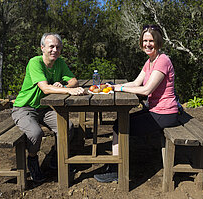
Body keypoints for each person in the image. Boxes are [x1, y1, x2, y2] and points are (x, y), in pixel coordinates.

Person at [94, 25, 181, 183]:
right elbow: (136, 82)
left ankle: (117, 170)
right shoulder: (150, 62)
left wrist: (119, 87)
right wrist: (113, 87)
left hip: (165, 113)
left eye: (151, 41)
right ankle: (116, 163)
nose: (147, 44)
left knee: (119, 126)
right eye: (145, 40)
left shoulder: (162, 60)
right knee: (120, 123)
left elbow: (146, 90)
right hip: (156, 110)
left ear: (158, 41)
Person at [12, 33, 85, 182]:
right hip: (24, 108)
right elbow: (45, 88)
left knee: (67, 127)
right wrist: (67, 90)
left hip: (44, 109)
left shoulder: (59, 63)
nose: (54, 50)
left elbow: (74, 81)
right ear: (42, 48)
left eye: (58, 47)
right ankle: (32, 160)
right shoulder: (35, 62)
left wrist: (63, 85)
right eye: (51, 46)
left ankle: (56, 158)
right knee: (35, 133)